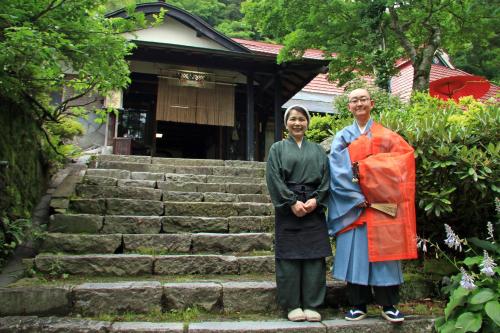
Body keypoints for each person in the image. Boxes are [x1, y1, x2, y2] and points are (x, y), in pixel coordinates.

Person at [327, 88, 417, 323]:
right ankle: (358, 304)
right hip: (355, 206)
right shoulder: (343, 137)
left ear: (371, 103)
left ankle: (389, 305)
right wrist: (358, 197)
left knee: (386, 257)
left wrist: (370, 170)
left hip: (381, 206)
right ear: (349, 107)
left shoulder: (388, 136)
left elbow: (403, 162)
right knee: (355, 255)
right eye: (354, 100)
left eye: (363, 99)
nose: (359, 103)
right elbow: (337, 170)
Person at [266, 105, 332, 322]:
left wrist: (317, 199)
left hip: (313, 205)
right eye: (293, 119)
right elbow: (274, 177)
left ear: (307, 123)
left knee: (314, 256)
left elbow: (326, 178)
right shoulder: (277, 148)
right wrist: (291, 202)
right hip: (288, 208)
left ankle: (313, 304)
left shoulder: (318, 151)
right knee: (289, 257)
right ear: (286, 123)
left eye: (302, 119)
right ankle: (292, 304)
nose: (297, 123)